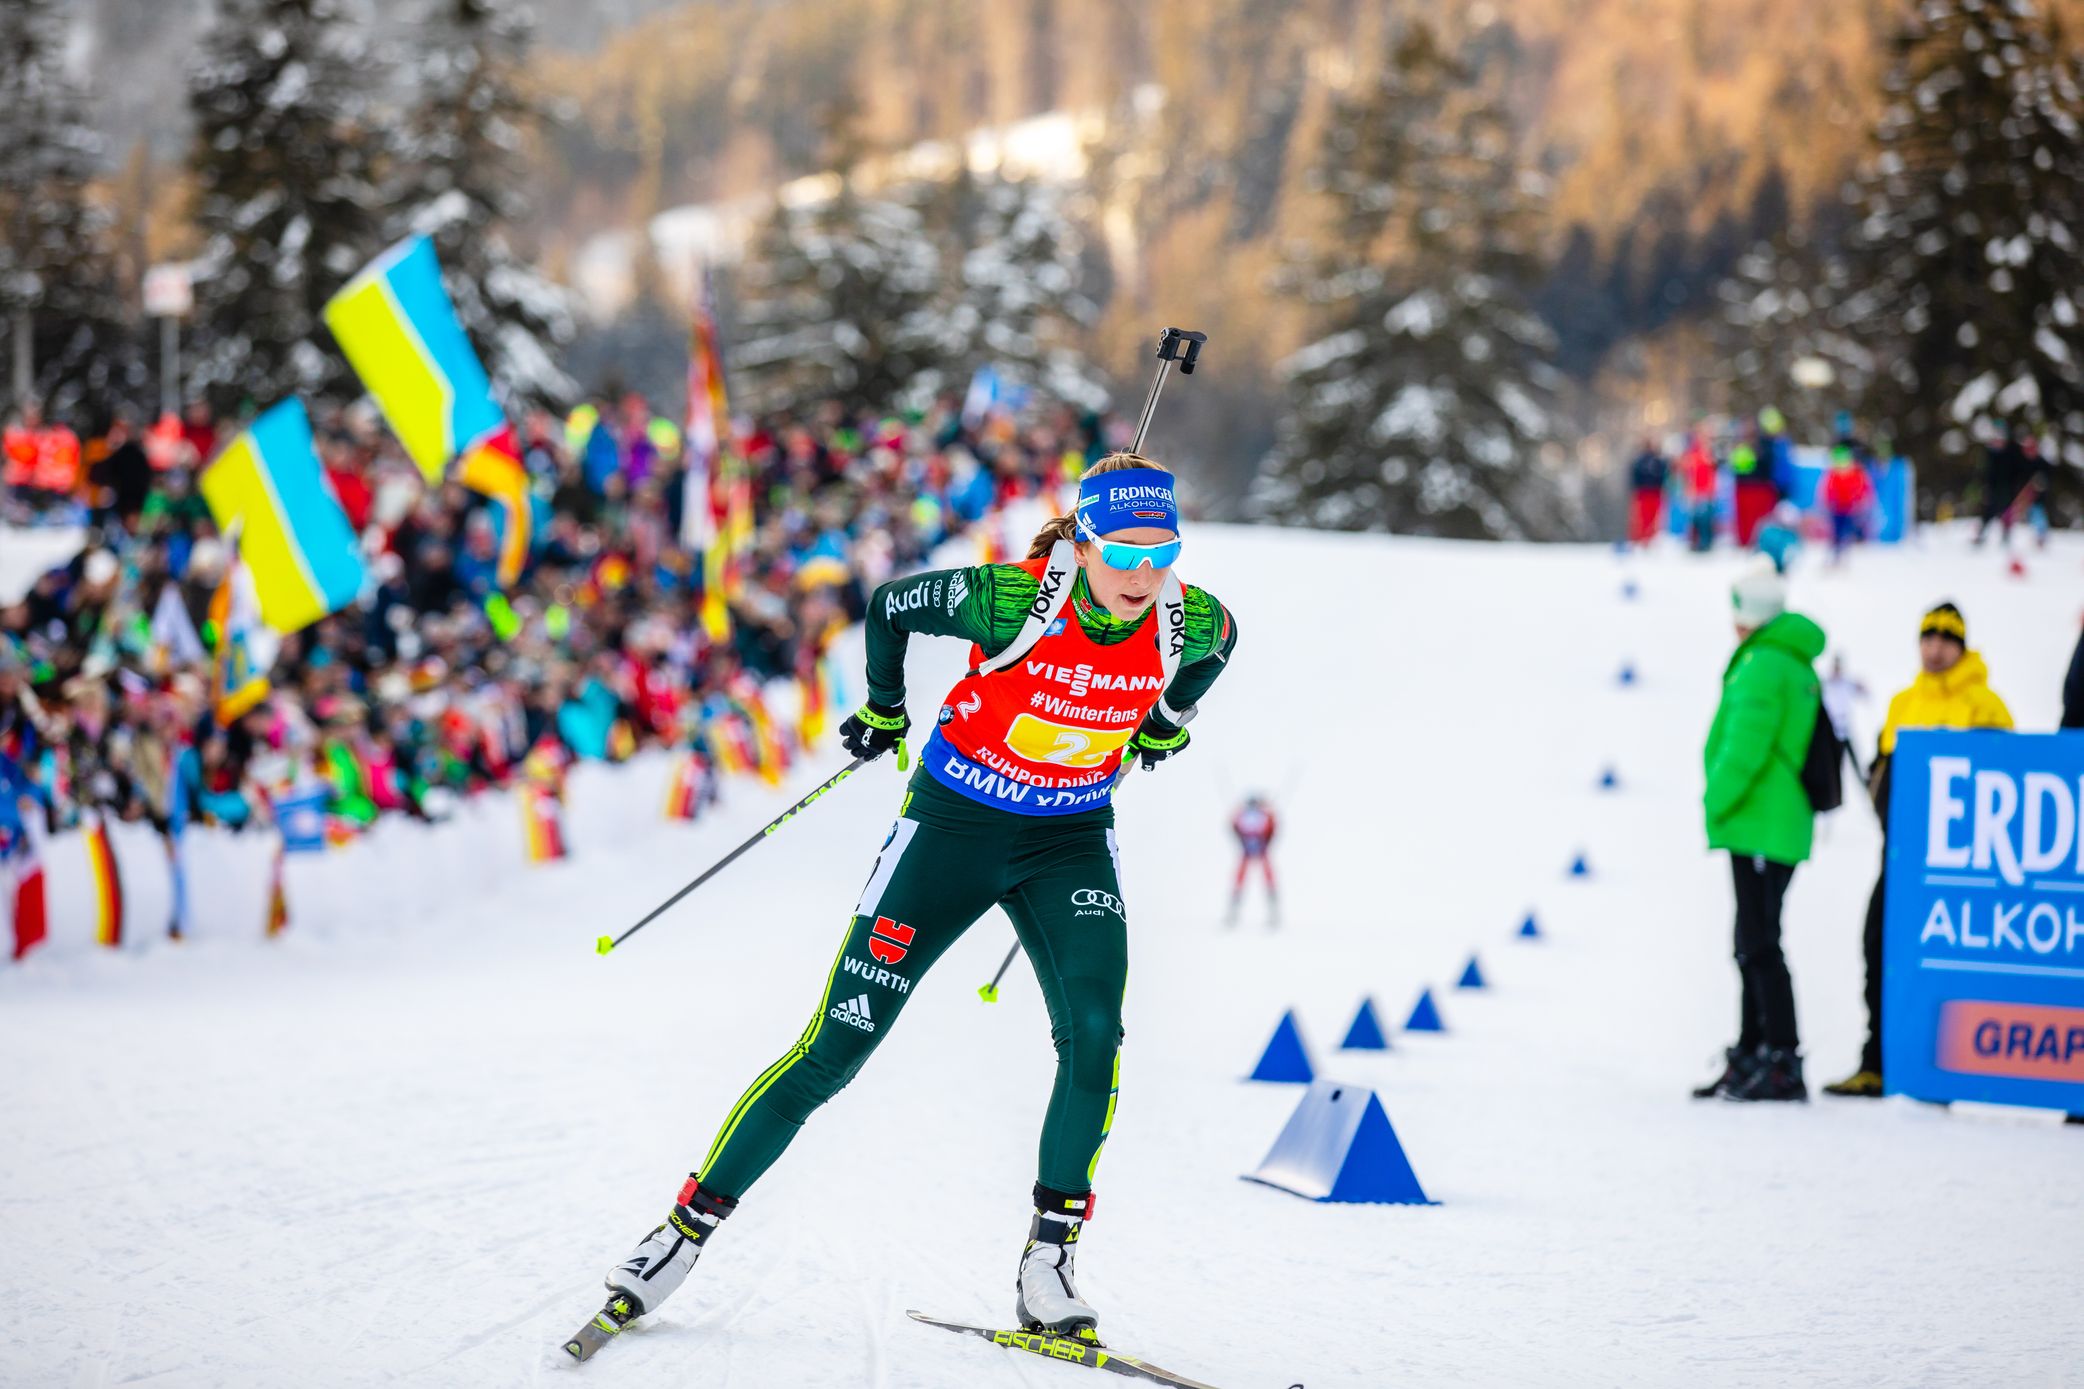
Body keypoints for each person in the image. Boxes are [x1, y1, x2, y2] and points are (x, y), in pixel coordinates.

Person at [575, 453, 1238, 1357]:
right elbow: (889, 605)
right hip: (952, 831)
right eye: (1121, 548)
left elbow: (1220, 645)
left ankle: (1050, 1261)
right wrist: (885, 708)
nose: (1141, 570)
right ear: (1083, 542)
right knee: (834, 1049)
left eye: (1159, 549)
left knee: (1095, 1031)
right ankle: (681, 1234)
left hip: (1068, 839)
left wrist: (1168, 719)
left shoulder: (1185, 616)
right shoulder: (1010, 601)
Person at [1824, 604, 2013, 1097]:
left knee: (1949, 960)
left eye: (1946, 639)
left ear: (1962, 645)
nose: (1935, 648)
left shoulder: (1984, 704)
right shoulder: (1904, 702)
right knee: (1879, 948)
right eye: (1928, 638)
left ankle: (1951, 1062)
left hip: (1956, 867)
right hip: (1903, 858)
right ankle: (1878, 1061)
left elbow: (2006, 781)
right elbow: (1885, 770)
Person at [1693, 562, 1824, 1103]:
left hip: (1760, 821)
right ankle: (1755, 1053)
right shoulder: (1788, 659)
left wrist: (1714, 800)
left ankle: (1779, 1058)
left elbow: (1745, 746)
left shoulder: (1765, 663)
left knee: (1759, 942)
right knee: (1752, 940)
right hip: (1769, 822)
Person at [1228, 793, 1278, 927]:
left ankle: (1273, 913)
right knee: (1240, 880)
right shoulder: (1243, 816)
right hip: (1248, 851)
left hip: (1261, 851)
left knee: (1268, 880)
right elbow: (1234, 828)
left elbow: (1272, 830)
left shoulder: (1265, 817)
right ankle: (1233, 912)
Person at [1627, 438, 1669, 547]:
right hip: (1644, 492)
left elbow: (1664, 475)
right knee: (1643, 517)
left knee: (1653, 517)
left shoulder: (1658, 460)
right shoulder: (1640, 461)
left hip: (1655, 492)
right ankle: (1642, 539)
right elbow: (1635, 476)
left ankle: (1650, 538)